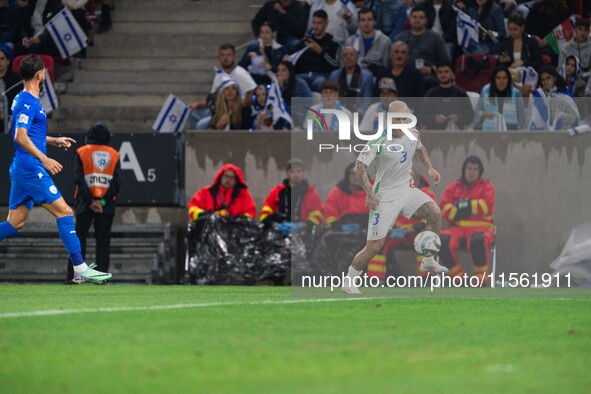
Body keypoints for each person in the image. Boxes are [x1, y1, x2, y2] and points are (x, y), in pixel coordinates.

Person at [0, 55, 111, 283]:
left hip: (23, 167)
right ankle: (80, 268)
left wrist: (52, 140)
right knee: (65, 212)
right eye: (44, 73)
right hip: (31, 168)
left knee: (14, 225)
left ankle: (79, 268)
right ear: (40, 74)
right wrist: (45, 159)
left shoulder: (23, 98)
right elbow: (20, 137)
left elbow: (29, 133)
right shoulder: (29, 102)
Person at [342, 100, 447, 294]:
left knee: (434, 213)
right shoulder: (379, 140)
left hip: (407, 190)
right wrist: (370, 193)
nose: (400, 121)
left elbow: (419, 148)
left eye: (403, 118)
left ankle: (428, 260)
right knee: (374, 247)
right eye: (396, 118)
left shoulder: (413, 133)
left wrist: (430, 168)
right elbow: (359, 167)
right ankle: (349, 280)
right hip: (385, 197)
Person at [66, 122, 121, 283]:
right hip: (106, 205)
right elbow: (117, 183)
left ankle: (73, 277)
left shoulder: (82, 152)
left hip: (84, 203)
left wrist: (90, 201)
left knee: (78, 241)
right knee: (103, 243)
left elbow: (79, 180)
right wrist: (101, 202)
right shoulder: (114, 154)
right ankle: (101, 278)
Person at [367, 169, 436, 280]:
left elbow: (430, 218)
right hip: (397, 235)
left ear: (417, 181)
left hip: (416, 234)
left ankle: (427, 279)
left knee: (425, 238)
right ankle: (375, 279)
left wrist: (411, 230)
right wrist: (390, 229)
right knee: (378, 240)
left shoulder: (427, 194)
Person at [439, 156, 495, 285]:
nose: (472, 172)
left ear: (480, 171)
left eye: (475, 169)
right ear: (464, 169)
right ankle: (459, 279)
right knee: (440, 241)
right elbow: (444, 209)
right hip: (456, 229)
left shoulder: (487, 186)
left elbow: (486, 206)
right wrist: (469, 208)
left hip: (481, 229)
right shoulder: (453, 187)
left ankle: (481, 281)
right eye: (469, 168)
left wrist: (462, 207)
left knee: (477, 240)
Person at [187, 44, 257, 130]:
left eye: (228, 55)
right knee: (190, 114)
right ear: (219, 57)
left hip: (234, 113)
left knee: (201, 125)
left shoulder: (240, 73)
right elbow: (212, 100)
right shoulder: (218, 76)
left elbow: (251, 92)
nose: (225, 58)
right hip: (217, 110)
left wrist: (237, 110)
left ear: (234, 57)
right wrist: (196, 104)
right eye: (223, 55)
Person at [259, 159, 323, 234]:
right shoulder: (276, 192)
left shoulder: (311, 193)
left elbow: (317, 216)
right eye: (292, 171)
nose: (295, 174)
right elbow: (264, 215)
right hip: (278, 233)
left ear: (303, 173)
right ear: (287, 173)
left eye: (298, 171)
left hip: (303, 234)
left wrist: (300, 226)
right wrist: (276, 225)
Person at [394, 7, 451, 89]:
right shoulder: (400, 38)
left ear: (426, 20)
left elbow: (446, 62)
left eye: (421, 18)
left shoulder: (436, 38)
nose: (417, 20)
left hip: (428, 75)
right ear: (409, 19)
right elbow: (392, 61)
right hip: (404, 73)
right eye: (414, 17)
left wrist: (431, 69)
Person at [292, 9, 341, 92]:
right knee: (296, 81)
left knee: (319, 82)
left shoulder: (333, 44)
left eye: (319, 23)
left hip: (321, 76)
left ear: (326, 24)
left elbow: (335, 65)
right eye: (314, 23)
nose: (315, 26)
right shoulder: (304, 42)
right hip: (302, 75)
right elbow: (294, 61)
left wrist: (321, 51)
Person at [188, 163, 256, 221]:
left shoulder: (243, 195)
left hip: (234, 233)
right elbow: (192, 207)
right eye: (226, 176)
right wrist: (206, 215)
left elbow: (250, 212)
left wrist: (237, 220)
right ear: (220, 177)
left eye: (232, 177)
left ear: (236, 180)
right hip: (209, 231)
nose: (228, 179)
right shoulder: (206, 192)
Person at [422, 61, 474, 130]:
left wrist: (458, 118)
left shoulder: (460, 93)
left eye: (446, 72)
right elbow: (422, 117)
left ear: (452, 73)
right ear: (437, 75)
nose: (443, 74)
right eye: (440, 72)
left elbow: (470, 116)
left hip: (456, 133)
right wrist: (435, 118)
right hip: (435, 133)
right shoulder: (431, 94)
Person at [475, 65, 526, 131]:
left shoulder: (516, 93)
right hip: (489, 132)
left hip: (510, 132)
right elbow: (476, 111)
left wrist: (517, 133)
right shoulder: (485, 91)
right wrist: (484, 114)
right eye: (498, 78)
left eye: (504, 78)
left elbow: (522, 117)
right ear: (494, 79)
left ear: (508, 79)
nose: (501, 81)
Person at [345, 7, 392, 75]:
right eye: (363, 20)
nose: (366, 23)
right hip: (354, 76)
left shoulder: (385, 41)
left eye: (369, 20)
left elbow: (387, 66)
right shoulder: (350, 41)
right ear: (358, 23)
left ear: (374, 22)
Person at [239, 21, 288, 85]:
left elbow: (285, 70)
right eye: (262, 32)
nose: (264, 35)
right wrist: (248, 57)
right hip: (255, 81)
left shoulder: (281, 49)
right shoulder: (253, 47)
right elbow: (240, 65)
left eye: (267, 32)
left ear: (273, 33)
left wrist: (271, 67)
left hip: (274, 81)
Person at [328, 46, 373, 116]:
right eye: (345, 55)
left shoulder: (366, 76)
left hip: (358, 113)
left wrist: (358, 114)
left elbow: (367, 99)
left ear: (357, 57)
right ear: (342, 59)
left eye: (351, 54)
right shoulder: (334, 75)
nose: (348, 57)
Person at [532, 65, 580, 130]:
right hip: (544, 132)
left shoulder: (565, 95)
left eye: (548, 78)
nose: (545, 82)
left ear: (554, 78)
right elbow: (536, 116)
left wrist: (560, 116)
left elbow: (574, 117)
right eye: (543, 80)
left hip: (564, 132)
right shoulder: (540, 95)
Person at [323, 162, 369, 227]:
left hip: (367, 231)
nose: (356, 176)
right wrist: (335, 224)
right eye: (352, 174)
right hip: (342, 232)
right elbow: (329, 212)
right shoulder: (336, 192)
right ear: (347, 175)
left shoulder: (372, 191)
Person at [558, 17, 591, 86]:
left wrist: (583, 77)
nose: (583, 32)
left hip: (587, 80)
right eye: (580, 29)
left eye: (585, 30)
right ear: (575, 30)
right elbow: (560, 69)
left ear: (589, 32)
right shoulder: (565, 48)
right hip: (569, 80)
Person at [0, 43, 21, 134]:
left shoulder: (16, 80)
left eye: (2, 59)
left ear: (8, 61)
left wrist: (5, 114)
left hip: (10, 118)